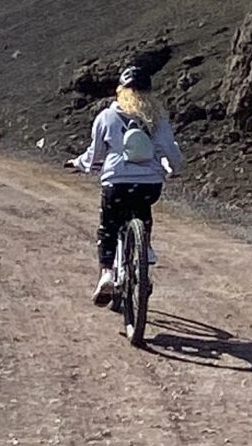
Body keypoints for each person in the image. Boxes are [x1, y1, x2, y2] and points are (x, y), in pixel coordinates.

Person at [69, 63, 182, 305]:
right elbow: (170, 150)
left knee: (108, 226)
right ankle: (145, 254)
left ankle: (107, 274)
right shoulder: (157, 119)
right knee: (143, 210)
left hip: (117, 183)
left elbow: (94, 154)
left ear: (121, 90)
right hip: (149, 184)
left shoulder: (107, 117)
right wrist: (174, 169)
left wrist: (79, 164)